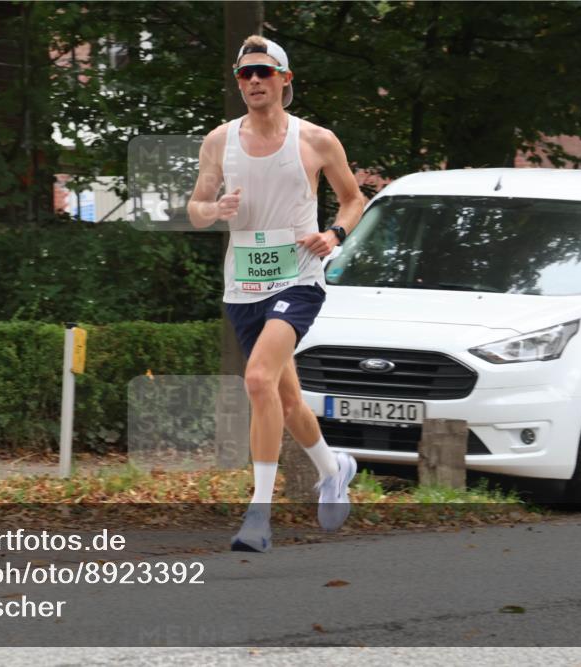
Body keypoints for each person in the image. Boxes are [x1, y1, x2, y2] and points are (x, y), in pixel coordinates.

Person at [187, 35, 367, 552]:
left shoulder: (316, 140)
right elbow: (195, 208)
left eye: (263, 72)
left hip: (299, 278)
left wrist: (334, 235)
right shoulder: (218, 141)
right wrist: (214, 210)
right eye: (244, 74)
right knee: (285, 399)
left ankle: (258, 517)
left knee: (258, 379)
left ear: (284, 79)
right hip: (243, 286)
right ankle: (334, 469)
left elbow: (353, 199)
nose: (253, 81)